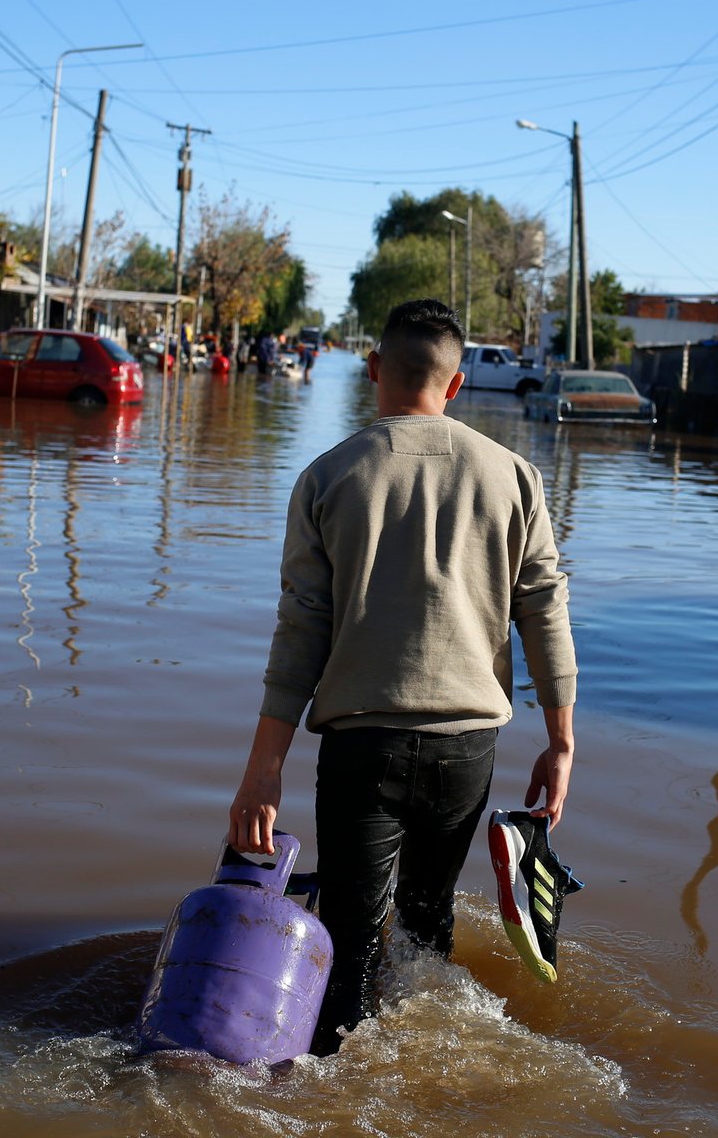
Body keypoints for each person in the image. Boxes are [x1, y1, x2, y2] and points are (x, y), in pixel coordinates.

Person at [228, 298, 578, 1054]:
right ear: (454, 387)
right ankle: (427, 1066)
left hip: (363, 745)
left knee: (350, 944)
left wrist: (264, 769)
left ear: (374, 368)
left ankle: (329, 1086)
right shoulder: (516, 478)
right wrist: (560, 741)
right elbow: (545, 611)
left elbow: (301, 632)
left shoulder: (327, 478)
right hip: (467, 748)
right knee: (427, 927)